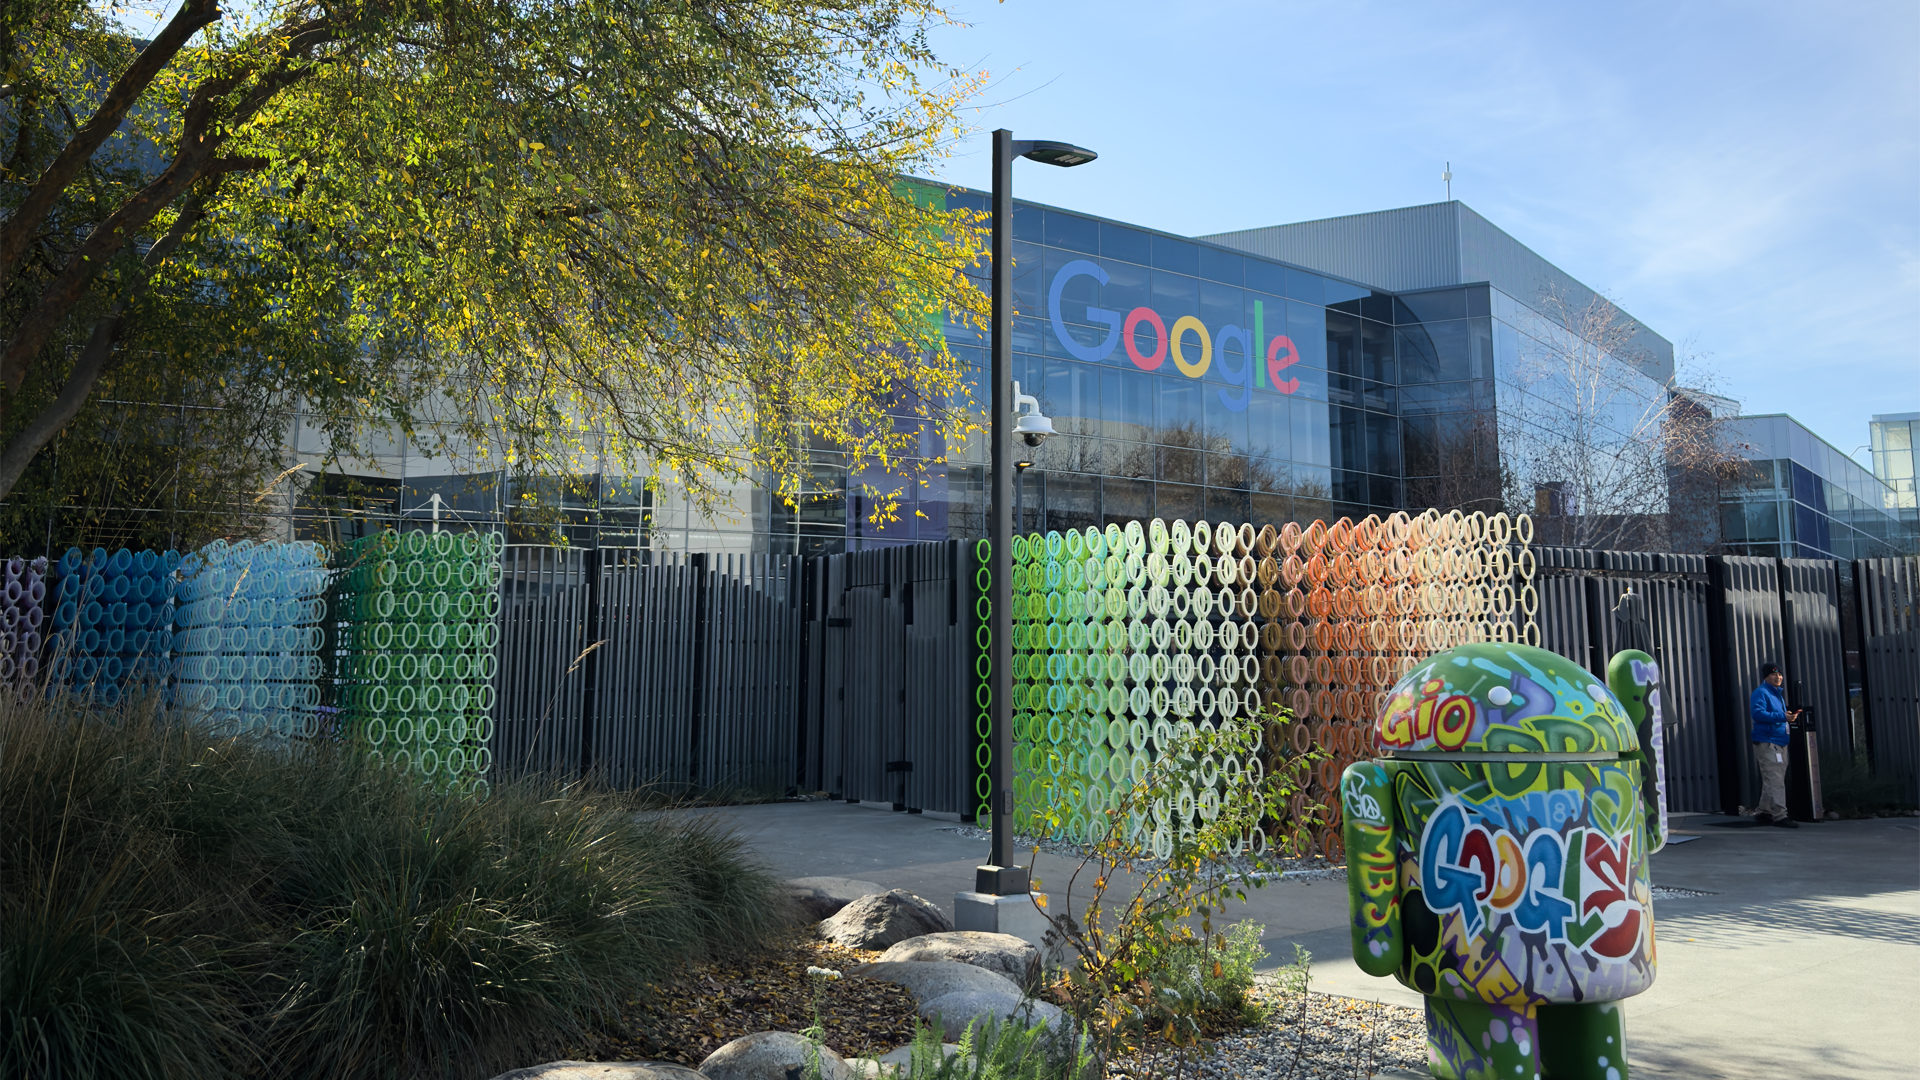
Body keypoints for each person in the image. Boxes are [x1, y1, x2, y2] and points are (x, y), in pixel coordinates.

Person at [1747, 663, 1799, 828]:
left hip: (1779, 741)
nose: (1778, 678)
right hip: (1768, 742)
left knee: (1773, 778)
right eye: (1773, 675)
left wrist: (1786, 716)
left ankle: (1764, 811)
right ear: (1765, 677)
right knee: (1775, 779)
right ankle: (1780, 815)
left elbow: (1775, 715)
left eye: (1779, 675)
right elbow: (1757, 713)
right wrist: (1783, 716)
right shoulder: (1761, 693)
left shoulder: (1776, 694)